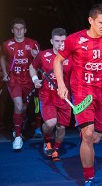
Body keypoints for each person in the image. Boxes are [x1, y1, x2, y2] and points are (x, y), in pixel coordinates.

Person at [54, 4, 102, 186]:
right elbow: (57, 60)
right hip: (82, 93)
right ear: (90, 20)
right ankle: (89, 181)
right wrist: (61, 85)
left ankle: (85, 135)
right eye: (100, 22)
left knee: (96, 137)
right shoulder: (74, 39)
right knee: (88, 134)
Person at [29, 27, 72, 160]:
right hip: (47, 95)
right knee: (51, 123)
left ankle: (56, 150)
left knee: (61, 127)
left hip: (64, 97)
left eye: (63, 41)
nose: (60, 44)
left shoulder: (72, 57)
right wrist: (35, 80)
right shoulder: (43, 55)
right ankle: (47, 140)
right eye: (57, 41)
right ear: (51, 41)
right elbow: (32, 67)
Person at [1, 17, 40, 151]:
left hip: (28, 81)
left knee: (23, 108)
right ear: (12, 30)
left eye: (21, 29)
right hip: (14, 80)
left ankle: (18, 128)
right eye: (16, 29)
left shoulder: (33, 43)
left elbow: (39, 61)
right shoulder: (6, 44)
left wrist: (37, 56)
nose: (18, 31)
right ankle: (18, 137)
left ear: (25, 30)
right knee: (17, 105)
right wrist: (5, 72)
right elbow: (2, 57)